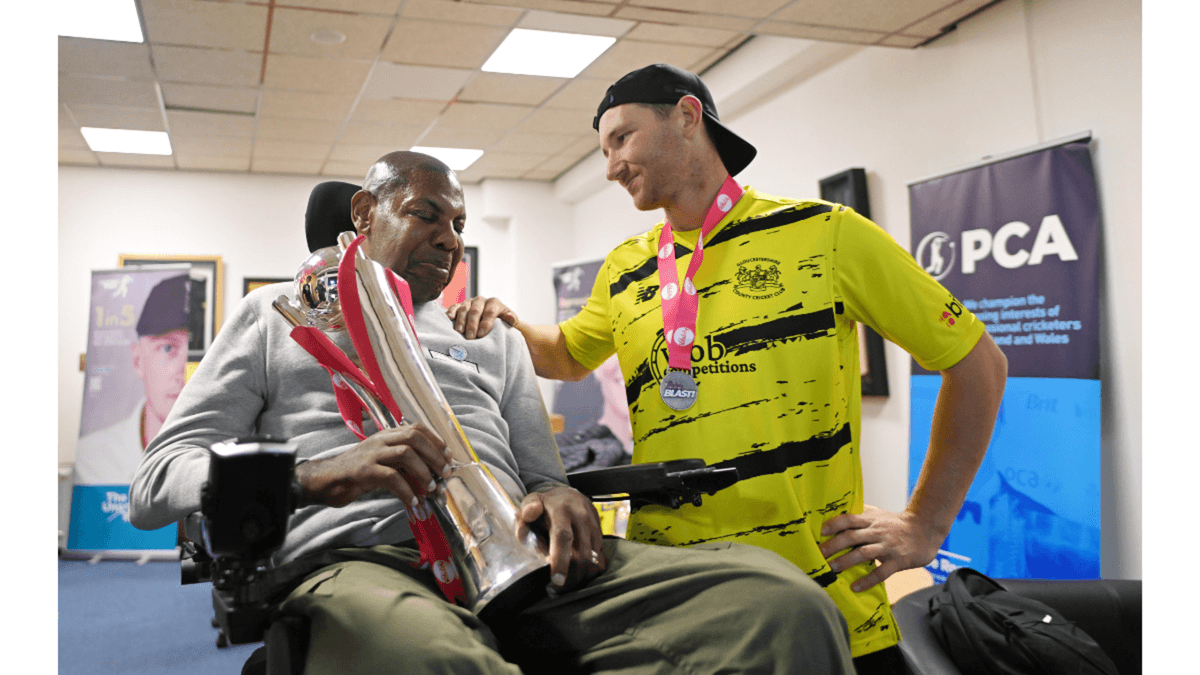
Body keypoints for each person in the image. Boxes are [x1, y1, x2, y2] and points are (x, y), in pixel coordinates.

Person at [128, 151, 855, 675]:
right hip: (364, 560)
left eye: (460, 223)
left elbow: (545, 474)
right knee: (442, 661)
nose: (450, 237)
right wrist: (314, 474)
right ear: (363, 214)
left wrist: (559, 494)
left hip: (521, 558)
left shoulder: (489, 336)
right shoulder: (278, 316)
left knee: (780, 603)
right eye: (426, 214)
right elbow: (154, 482)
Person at [446, 64, 1009, 673]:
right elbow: (566, 356)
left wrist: (926, 524)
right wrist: (502, 321)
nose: (610, 166)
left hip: (822, 602)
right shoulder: (625, 269)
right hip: (681, 603)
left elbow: (978, 363)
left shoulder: (824, 234)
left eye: (621, 139)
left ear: (688, 118)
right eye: (603, 148)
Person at [74, 273, 189, 485]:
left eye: (194, 353)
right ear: (137, 360)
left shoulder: (222, 452)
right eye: (167, 347)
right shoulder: (91, 460)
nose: (183, 371)